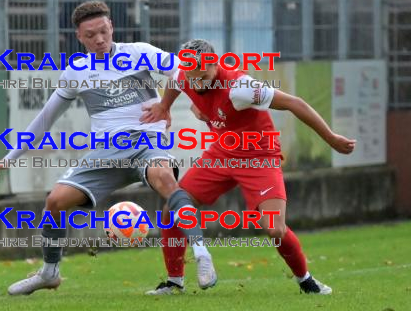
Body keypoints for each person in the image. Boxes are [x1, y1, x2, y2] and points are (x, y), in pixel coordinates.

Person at [0, 2, 216, 296]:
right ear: (79, 37)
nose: (99, 39)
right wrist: (7, 160)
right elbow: (43, 121)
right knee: (55, 201)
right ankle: (49, 273)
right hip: (106, 153)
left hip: (146, 142)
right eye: (91, 35)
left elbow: (184, 70)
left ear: (112, 27)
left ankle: (202, 254)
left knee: (166, 180)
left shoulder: (139, 52)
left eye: (103, 31)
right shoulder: (75, 72)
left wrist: (172, 104)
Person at [141, 39, 356, 295]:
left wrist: (331, 138)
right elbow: (176, 83)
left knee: (274, 228)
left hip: (259, 157)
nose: (198, 84)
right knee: (172, 209)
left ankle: (307, 281)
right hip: (222, 153)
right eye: (193, 77)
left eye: (203, 76)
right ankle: (174, 282)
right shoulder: (186, 72)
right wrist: (164, 107)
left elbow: (294, 103)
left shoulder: (240, 87)